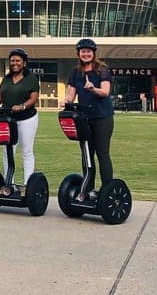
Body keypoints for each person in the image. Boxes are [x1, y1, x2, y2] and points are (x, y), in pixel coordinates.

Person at [63, 38, 114, 201]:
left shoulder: (102, 70)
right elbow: (71, 94)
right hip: (84, 119)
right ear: (78, 54)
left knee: (102, 154)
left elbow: (105, 92)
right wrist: (66, 101)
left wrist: (92, 88)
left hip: (102, 117)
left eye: (88, 51)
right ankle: (88, 189)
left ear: (93, 53)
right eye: (83, 51)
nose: (86, 54)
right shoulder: (75, 72)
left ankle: (106, 191)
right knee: (86, 154)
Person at [0, 48, 40, 195]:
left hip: (27, 119)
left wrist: (22, 106)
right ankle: (9, 184)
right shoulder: (7, 78)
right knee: (7, 151)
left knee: (26, 151)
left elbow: (34, 98)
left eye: (18, 61)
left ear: (24, 63)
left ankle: (27, 185)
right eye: (12, 61)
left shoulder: (31, 78)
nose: (14, 63)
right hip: (8, 120)